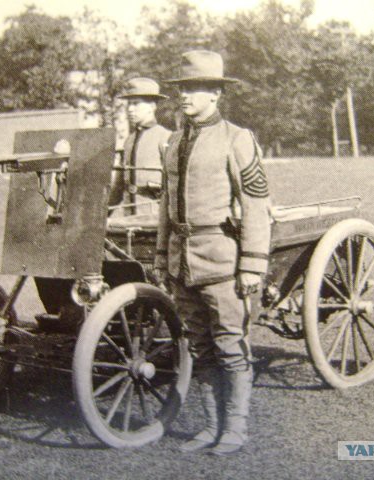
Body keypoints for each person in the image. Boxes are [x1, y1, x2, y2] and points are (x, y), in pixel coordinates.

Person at [154, 50, 271, 455]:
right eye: (182, 88)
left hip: (222, 260)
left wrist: (253, 264)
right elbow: (166, 205)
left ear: (216, 93)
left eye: (194, 88)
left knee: (230, 345)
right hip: (182, 261)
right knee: (198, 347)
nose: (184, 96)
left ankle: (234, 429)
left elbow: (257, 203)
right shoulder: (172, 141)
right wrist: (160, 256)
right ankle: (210, 426)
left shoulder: (237, 139)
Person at [111, 77, 171, 215]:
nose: (130, 109)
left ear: (152, 106)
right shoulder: (128, 141)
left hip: (154, 217)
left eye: (136, 104)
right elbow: (118, 186)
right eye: (129, 104)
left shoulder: (165, 137)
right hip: (128, 217)